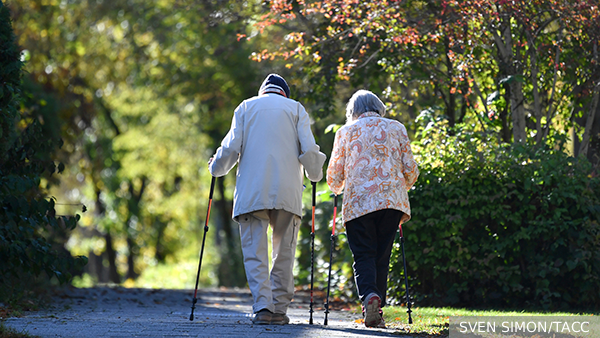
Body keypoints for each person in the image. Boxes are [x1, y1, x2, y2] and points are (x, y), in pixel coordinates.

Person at [208, 74, 326, 325]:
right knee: (284, 251)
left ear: (263, 92)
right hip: (287, 190)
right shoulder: (295, 109)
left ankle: (263, 308)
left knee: (255, 251)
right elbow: (308, 149)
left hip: (253, 190)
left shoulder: (245, 107)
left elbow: (230, 148)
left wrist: (215, 168)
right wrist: (316, 174)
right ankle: (280, 310)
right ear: (285, 93)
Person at [326, 89, 419, 328]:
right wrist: (401, 185)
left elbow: (335, 176)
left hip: (359, 202)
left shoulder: (345, 132)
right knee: (382, 254)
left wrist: (337, 188)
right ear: (379, 107)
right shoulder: (397, 128)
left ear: (352, 111)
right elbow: (411, 169)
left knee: (364, 254)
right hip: (391, 202)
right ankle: (378, 308)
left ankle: (370, 297)